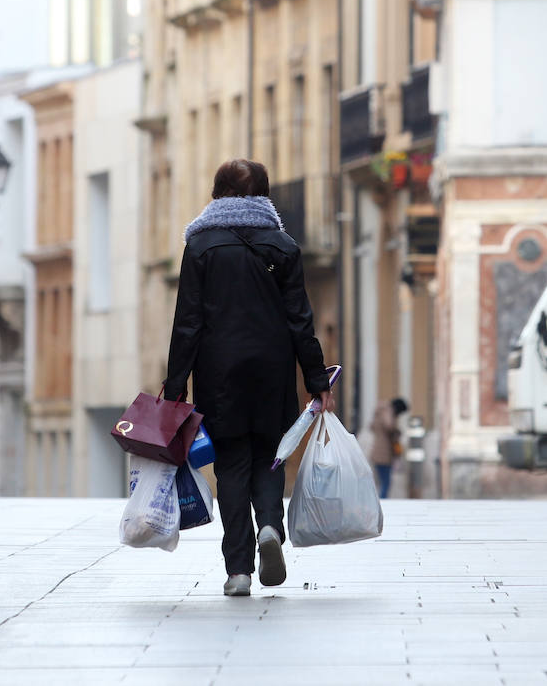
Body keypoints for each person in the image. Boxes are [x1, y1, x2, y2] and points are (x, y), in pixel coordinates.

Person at [163, 159, 333, 598]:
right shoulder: (283, 245)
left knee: (232, 465)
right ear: (264, 194)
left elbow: (188, 321)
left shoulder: (200, 246)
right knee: (270, 456)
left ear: (217, 193)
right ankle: (270, 527)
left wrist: (176, 383)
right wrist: (317, 379)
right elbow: (300, 319)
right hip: (273, 370)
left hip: (219, 372)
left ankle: (238, 570)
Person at [370, 398, 409, 499]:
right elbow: (389, 426)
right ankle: (383, 502)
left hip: (380, 452)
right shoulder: (387, 411)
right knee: (386, 482)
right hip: (383, 454)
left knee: (383, 482)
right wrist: (397, 432)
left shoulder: (380, 413)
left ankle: (382, 501)